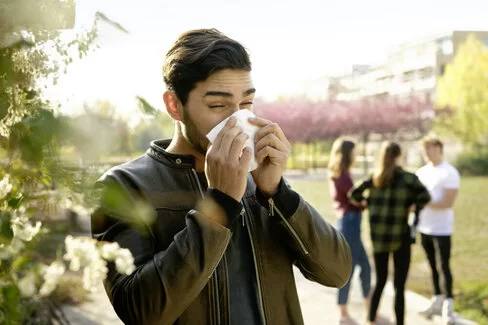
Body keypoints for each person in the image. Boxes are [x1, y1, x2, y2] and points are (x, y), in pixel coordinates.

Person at [90, 29, 352, 325]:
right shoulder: (124, 187)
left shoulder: (261, 182)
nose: (238, 120)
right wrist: (220, 204)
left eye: (247, 104)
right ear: (174, 105)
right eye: (218, 105)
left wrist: (279, 193)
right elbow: (139, 311)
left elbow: (338, 272)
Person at [349, 141, 431, 325]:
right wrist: (413, 205)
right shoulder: (409, 178)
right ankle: (400, 322)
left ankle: (370, 320)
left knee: (380, 281)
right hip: (400, 236)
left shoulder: (374, 178)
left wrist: (367, 203)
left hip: (378, 238)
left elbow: (353, 195)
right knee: (399, 286)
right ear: (399, 156)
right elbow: (425, 197)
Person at [416, 135, 460, 325]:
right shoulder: (421, 172)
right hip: (423, 227)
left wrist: (423, 202)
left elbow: (447, 202)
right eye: (424, 148)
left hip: (442, 228)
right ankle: (436, 301)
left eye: (430, 148)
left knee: (444, 266)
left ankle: (448, 307)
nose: (426, 152)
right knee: (432, 266)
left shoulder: (449, 172)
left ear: (439, 149)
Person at [328, 138, 371, 325]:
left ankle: (369, 310)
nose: (356, 154)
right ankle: (343, 314)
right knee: (351, 268)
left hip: (347, 222)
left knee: (365, 267)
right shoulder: (344, 176)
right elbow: (355, 200)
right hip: (350, 223)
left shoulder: (339, 173)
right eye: (354, 151)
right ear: (347, 153)